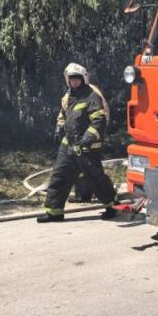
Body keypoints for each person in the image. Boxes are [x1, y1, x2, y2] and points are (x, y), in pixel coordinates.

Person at [37, 63, 118, 222]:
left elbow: (99, 120)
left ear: (83, 79)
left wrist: (88, 138)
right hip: (68, 145)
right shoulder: (68, 96)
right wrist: (59, 127)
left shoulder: (92, 96)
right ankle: (54, 212)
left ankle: (112, 206)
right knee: (59, 176)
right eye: (71, 80)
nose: (74, 82)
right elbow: (63, 114)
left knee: (96, 179)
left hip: (86, 147)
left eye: (77, 80)